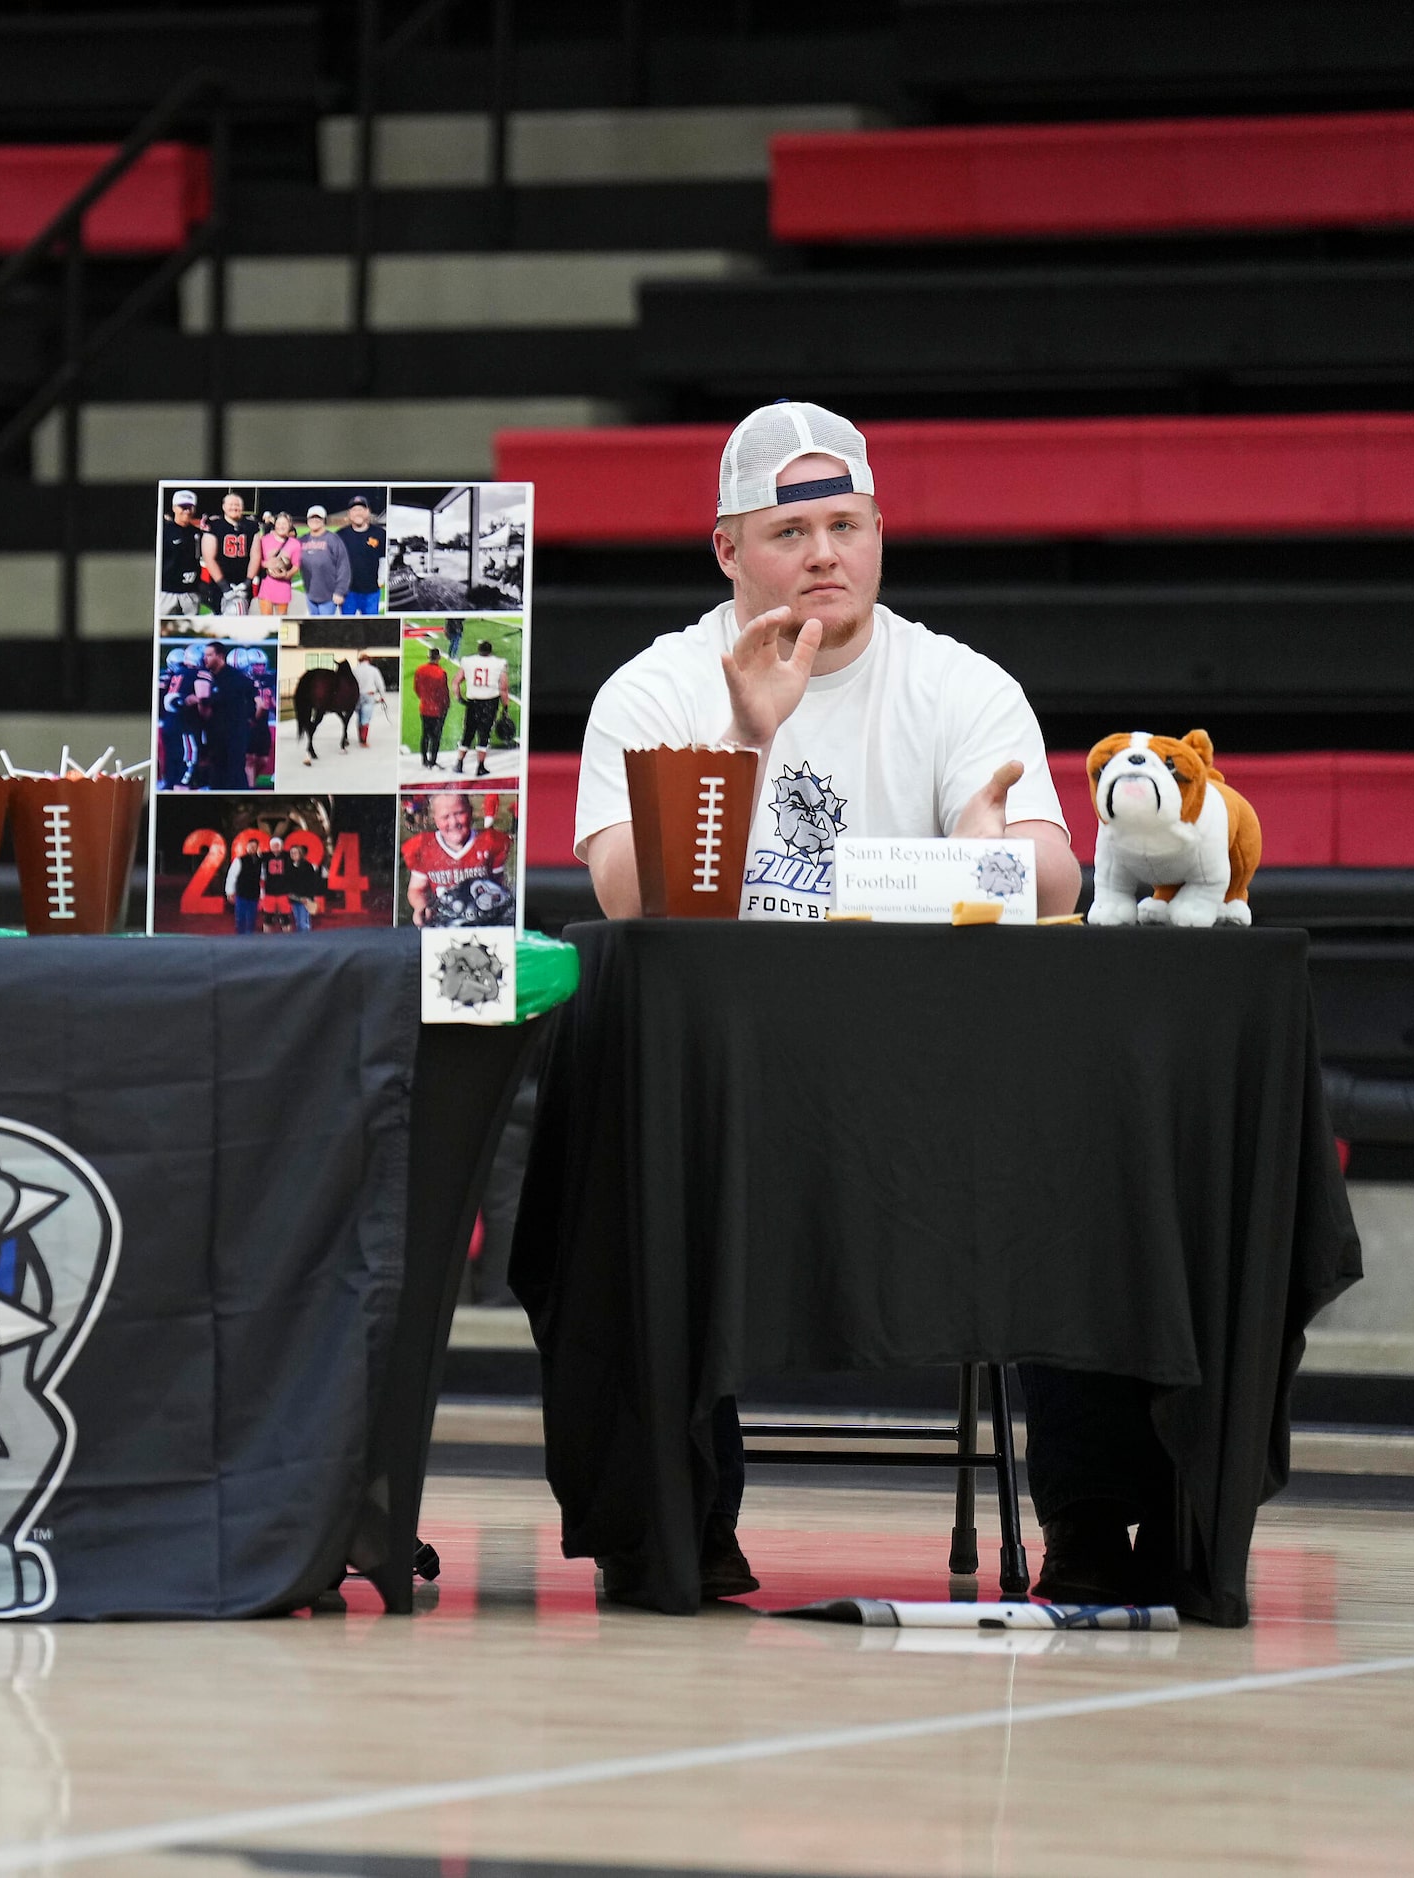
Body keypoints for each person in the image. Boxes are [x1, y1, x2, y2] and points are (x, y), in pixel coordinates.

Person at [573, 402, 1153, 1606]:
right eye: (791, 530)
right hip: (730, 1101)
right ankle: (679, 1520)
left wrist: (994, 844)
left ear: (881, 533)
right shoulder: (654, 692)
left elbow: (1063, 883)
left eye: (848, 524)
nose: (825, 554)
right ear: (727, 549)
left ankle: (1097, 1522)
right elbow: (635, 899)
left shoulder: (957, 685)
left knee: (1090, 1146)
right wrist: (745, 737)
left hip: (934, 1098)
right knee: (620, 1148)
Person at [403, 791, 511, 926]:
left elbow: (500, 885)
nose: (453, 822)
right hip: (445, 921)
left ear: (471, 812)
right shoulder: (424, 847)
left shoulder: (489, 843)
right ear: (434, 818)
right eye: (445, 817)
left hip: (485, 919)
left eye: (459, 813)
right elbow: (416, 889)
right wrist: (421, 907)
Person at [192, 642, 256, 790]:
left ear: (220, 656)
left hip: (233, 734)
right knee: (217, 772)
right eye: (204, 655)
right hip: (216, 735)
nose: (205, 659)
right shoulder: (210, 676)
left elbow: (223, 698)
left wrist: (197, 699)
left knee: (234, 773)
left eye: (209, 655)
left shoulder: (233, 677)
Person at [454, 636, 508, 777]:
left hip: (473, 703)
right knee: (484, 735)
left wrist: (459, 697)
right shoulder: (499, 663)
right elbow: (503, 688)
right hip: (490, 702)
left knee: (468, 733)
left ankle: (459, 763)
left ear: (479, 650)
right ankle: (480, 767)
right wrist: (505, 707)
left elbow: (456, 682)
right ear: (490, 651)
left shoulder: (468, 661)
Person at [158, 489, 208, 617]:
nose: (186, 510)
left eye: (190, 507)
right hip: (167, 592)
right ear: (174, 508)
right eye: (183, 507)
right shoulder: (164, 532)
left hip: (190, 592)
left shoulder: (197, 533)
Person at [204, 491, 254, 616]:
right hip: (220, 585)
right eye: (231, 504)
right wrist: (224, 586)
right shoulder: (214, 526)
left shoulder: (251, 526)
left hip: (243, 583)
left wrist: (247, 583)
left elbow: (255, 556)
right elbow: (209, 558)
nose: (234, 507)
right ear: (223, 506)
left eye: (237, 504)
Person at [337, 498, 388, 616]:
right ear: (349, 514)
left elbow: (384, 559)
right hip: (348, 592)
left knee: (370, 626)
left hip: (371, 592)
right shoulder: (340, 535)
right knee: (347, 627)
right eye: (354, 510)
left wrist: (381, 580)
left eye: (361, 509)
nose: (358, 513)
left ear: (368, 512)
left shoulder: (380, 534)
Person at [298, 504, 350, 616]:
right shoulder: (302, 540)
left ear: (323, 520)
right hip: (310, 593)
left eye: (318, 518)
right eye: (312, 518)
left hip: (329, 595)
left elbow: (343, 566)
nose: (315, 520)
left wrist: (340, 591)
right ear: (307, 520)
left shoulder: (333, 539)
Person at [410, 645, 453, 771]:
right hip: (437, 708)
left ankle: (424, 760)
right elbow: (443, 693)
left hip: (425, 707)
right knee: (436, 736)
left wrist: (424, 698)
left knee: (425, 734)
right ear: (438, 658)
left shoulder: (420, 670)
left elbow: (416, 688)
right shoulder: (441, 673)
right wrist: (445, 706)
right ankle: (433, 760)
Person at [251, 511, 300, 616]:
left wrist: (287, 575)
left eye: (284, 524)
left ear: (290, 525)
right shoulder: (264, 540)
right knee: (266, 622)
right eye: (279, 523)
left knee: (281, 623)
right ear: (275, 525)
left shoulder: (295, 544)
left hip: (283, 589)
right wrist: (265, 564)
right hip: (266, 588)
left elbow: (296, 565)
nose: (281, 527)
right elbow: (255, 559)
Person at [272, 840, 326, 931]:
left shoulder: (307, 866)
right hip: (294, 898)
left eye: (295, 852)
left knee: (303, 923)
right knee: (297, 922)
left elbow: (311, 883)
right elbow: (287, 882)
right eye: (291, 853)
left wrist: (308, 897)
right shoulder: (288, 867)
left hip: (305, 899)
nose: (293, 854)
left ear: (300, 854)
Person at [222, 832, 270, 934]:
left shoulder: (260, 861)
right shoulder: (239, 860)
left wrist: (262, 892)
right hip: (242, 894)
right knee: (241, 918)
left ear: (257, 848)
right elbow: (231, 877)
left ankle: (250, 939)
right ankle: (241, 938)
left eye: (254, 846)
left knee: (252, 918)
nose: (252, 848)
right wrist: (229, 892)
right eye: (250, 846)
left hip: (254, 894)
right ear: (247, 847)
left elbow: (262, 876)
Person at [352, 650, 385, 747]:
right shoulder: (373, 670)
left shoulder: (354, 670)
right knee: (366, 718)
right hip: (369, 695)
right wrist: (382, 696)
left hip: (357, 696)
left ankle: (360, 737)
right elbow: (380, 684)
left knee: (359, 716)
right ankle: (364, 740)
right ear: (368, 661)